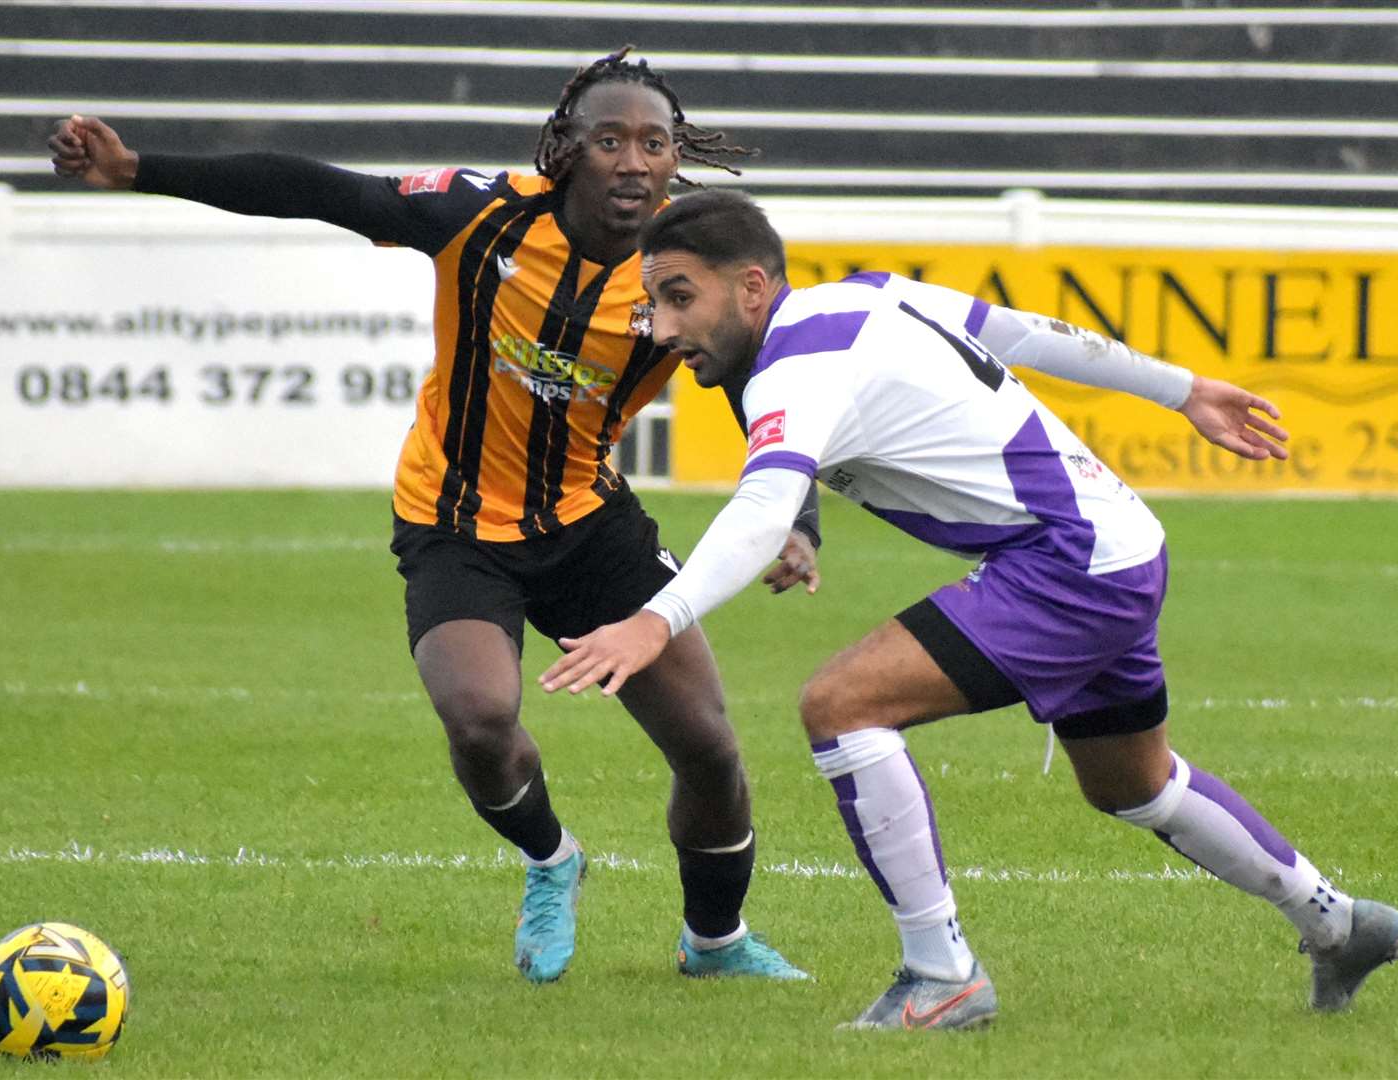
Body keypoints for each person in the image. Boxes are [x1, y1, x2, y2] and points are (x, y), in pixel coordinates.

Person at [541, 190, 1398, 1030]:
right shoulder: (868, 292)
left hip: (1066, 561)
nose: (661, 327)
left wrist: (654, 619)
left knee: (842, 705)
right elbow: (1022, 331)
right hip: (1115, 540)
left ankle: (941, 976)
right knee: (1132, 783)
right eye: (653, 301)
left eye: (679, 297)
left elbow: (762, 505)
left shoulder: (792, 367)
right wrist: (1177, 387)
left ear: (753, 287)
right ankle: (1337, 923)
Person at [46, 49, 825, 983]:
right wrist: (138, 172)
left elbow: (765, 380)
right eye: (608, 138)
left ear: (673, 159)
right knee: (481, 720)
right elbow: (320, 191)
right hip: (453, 523)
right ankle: (551, 861)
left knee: (707, 747)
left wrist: (800, 514)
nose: (632, 160)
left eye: (653, 143)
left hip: (589, 523)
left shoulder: (678, 266)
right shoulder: (481, 214)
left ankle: (714, 942)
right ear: (566, 149)